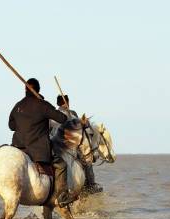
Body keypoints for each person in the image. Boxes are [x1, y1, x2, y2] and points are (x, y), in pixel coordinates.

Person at [9, 78, 74, 208]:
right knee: (61, 165)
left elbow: (11, 125)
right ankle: (62, 197)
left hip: (17, 148)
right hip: (37, 150)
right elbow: (62, 118)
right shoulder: (43, 105)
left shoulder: (18, 106)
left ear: (26, 90)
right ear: (38, 90)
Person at [50, 94, 103, 194]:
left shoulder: (52, 115)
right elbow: (83, 126)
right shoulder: (72, 114)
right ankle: (91, 185)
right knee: (87, 161)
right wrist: (85, 122)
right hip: (70, 146)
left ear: (57, 103)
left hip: (55, 146)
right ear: (68, 102)